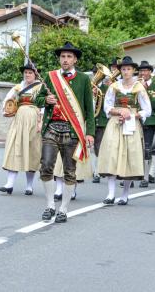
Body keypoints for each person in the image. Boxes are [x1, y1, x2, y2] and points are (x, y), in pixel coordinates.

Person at [35, 42, 95, 224]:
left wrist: (90, 132)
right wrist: (46, 99)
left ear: (75, 59)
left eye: (69, 57)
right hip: (51, 128)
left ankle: (64, 209)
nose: (65, 60)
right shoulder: (50, 76)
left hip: (72, 130)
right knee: (46, 166)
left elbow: (89, 109)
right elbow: (37, 100)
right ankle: (50, 205)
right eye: (63, 57)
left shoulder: (84, 79)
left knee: (70, 171)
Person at [97, 56, 151, 205]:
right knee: (111, 155)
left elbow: (147, 110)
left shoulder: (139, 88)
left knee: (129, 157)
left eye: (129, 69)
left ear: (133, 70)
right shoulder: (114, 87)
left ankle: (125, 194)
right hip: (115, 123)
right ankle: (110, 193)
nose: (126, 72)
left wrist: (131, 114)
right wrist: (120, 112)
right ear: (120, 71)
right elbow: (107, 107)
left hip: (131, 124)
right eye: (123, 69)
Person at [0, 63, 43, 195]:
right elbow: (7, 100)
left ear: (35, 74)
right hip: (18, 121)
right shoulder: (18, 87)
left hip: (34, 120)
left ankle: (29, 186)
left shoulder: (40, 87)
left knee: (32, 151)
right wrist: (7, 109)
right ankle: (9, 184)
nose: (27, 75)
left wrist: (41, 122)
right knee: (14, 148)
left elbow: (44, 105)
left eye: (30, 72)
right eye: (25, 72)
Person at [137, 60, 155, 188]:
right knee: (135, 147)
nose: (143, 73)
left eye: (145, 71)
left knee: (147, 148)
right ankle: (133, 175)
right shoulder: (135, 84)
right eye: (141, 71)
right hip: (136, 119)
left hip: (150, 120)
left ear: (150, 72)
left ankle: (145, 176)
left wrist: (145, 91)